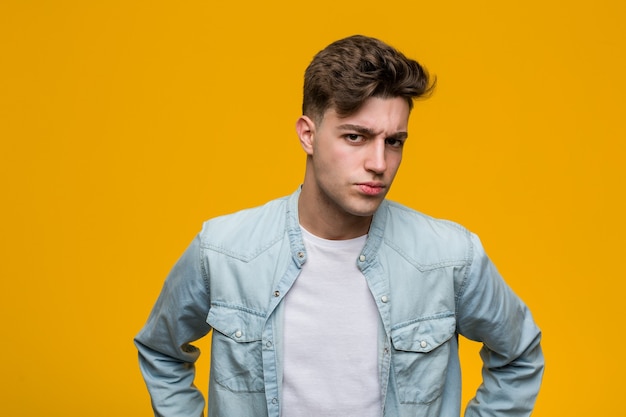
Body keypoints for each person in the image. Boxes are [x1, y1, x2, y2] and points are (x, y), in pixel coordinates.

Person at [134, 35, 544, 417]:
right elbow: (161, 350)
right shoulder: (223, 251)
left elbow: (519, 355)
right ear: (308, 135)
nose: (379, 163)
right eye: (355, 137)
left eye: (394, 141)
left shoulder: (450, 257)